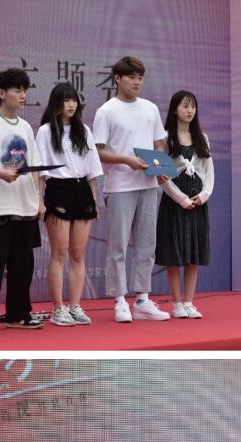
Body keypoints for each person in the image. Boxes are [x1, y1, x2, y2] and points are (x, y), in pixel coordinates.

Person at [93, 56, 170, 323]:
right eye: (131, 77)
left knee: (147, 244)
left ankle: (142, 299)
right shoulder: (107, 111)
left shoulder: (150, 108)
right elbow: (98, 151)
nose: (137, 82)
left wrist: (159, 164)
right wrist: (126, 160)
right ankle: (119, 300)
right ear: (118, 78)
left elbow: (159, 142)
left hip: (148, 184)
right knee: (118, 246)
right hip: (120, 186)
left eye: (140, 78)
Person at [0, 68, 44, 334]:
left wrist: (39, 201)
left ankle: (19, 313)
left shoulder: (25, 127)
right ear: (2, 93)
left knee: (23, 266)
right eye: (17, 90)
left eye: (25, 90)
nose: (23, 95)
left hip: (25, 206)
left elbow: (35, 167)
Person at [36, 83, 103, 326]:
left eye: (74, 100)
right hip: (58, 189)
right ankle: (58, 308)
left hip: (82, 190)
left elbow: (93, 170)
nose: (71, 105)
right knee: (60, 252)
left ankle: (75, 306)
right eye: (66, 100)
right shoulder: (45, 131)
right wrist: (39, 201)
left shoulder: (83, 130)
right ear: (57, 103)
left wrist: (93, 200)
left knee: (78, 253)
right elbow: (40, 171)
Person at [155, 91, 214, 320]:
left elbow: (208, 172)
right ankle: (177, 303)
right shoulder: (164, 138)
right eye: (185, 106)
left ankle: (189, 302)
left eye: (193, 106)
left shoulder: (202, 138)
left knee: (193, 254)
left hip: (197, 202)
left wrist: (204, 195)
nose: (190, 111)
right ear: (174, 109)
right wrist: (181, 199)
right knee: (174, 254)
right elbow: (162, 177)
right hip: (174, 203)